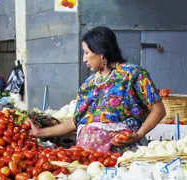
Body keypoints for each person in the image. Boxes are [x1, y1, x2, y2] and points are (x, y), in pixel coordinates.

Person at [29, 26, 166, 153]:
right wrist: (39, 132)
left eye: (87, 52)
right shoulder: (88, 85)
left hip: (123, 159)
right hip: (89, 160)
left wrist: (138, 135)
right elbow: (75, 122)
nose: (84, 59)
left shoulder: (133, 74)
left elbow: (158, 110)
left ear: (101, 53)